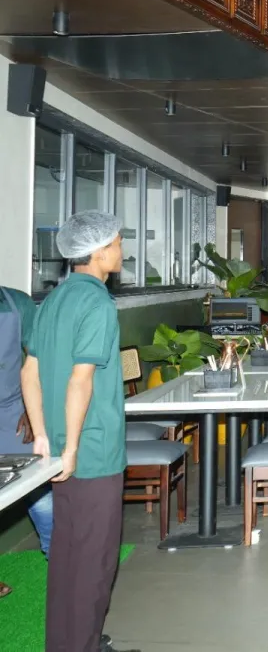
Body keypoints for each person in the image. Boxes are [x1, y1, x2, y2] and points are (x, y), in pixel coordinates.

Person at [21, 211, 134, 652]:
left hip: (58, 450)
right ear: (100, 251)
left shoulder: (51, 301)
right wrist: (70, 449)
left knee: (66, 558)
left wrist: (43, 437)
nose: (121, 251)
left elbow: (30, 374)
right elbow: (80, 380)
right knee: (93, 564)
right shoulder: (98, 304)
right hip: (93, 453)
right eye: (118, 243)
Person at [0, 284, 52, 601]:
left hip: (13, 414)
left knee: (41, 495)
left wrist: (36, 411)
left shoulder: (16, 302)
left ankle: (60, 562)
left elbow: (42, 358)